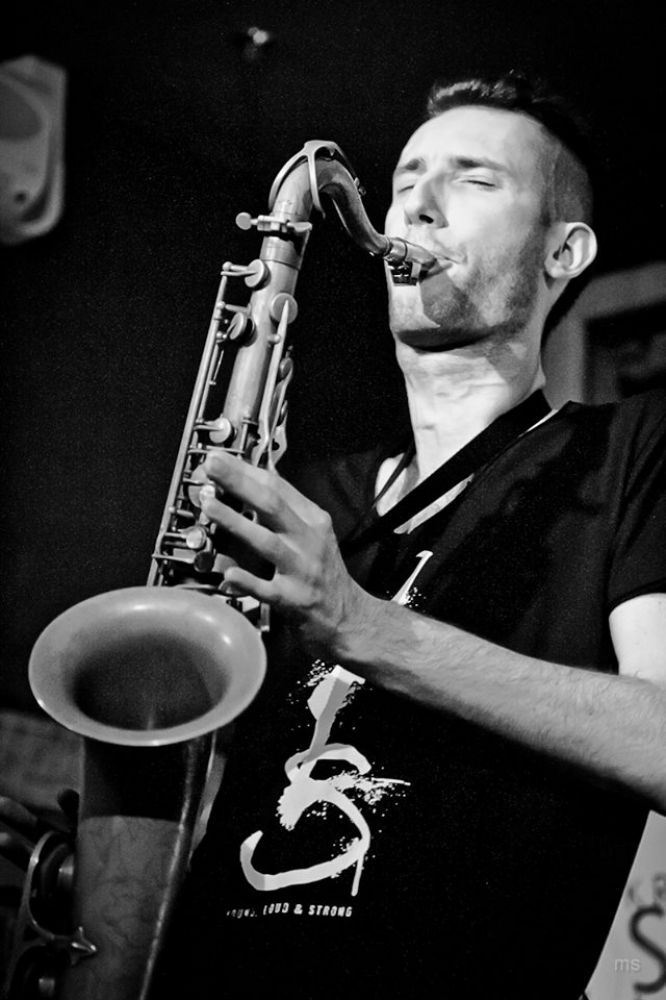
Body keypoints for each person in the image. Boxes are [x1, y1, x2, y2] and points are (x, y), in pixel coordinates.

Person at [156, 73, 666, 999]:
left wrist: (361, 625)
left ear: (564, 251)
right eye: (405, 180)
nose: (416, 207)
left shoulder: (633, 450)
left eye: (474, 180)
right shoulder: (315, 497)